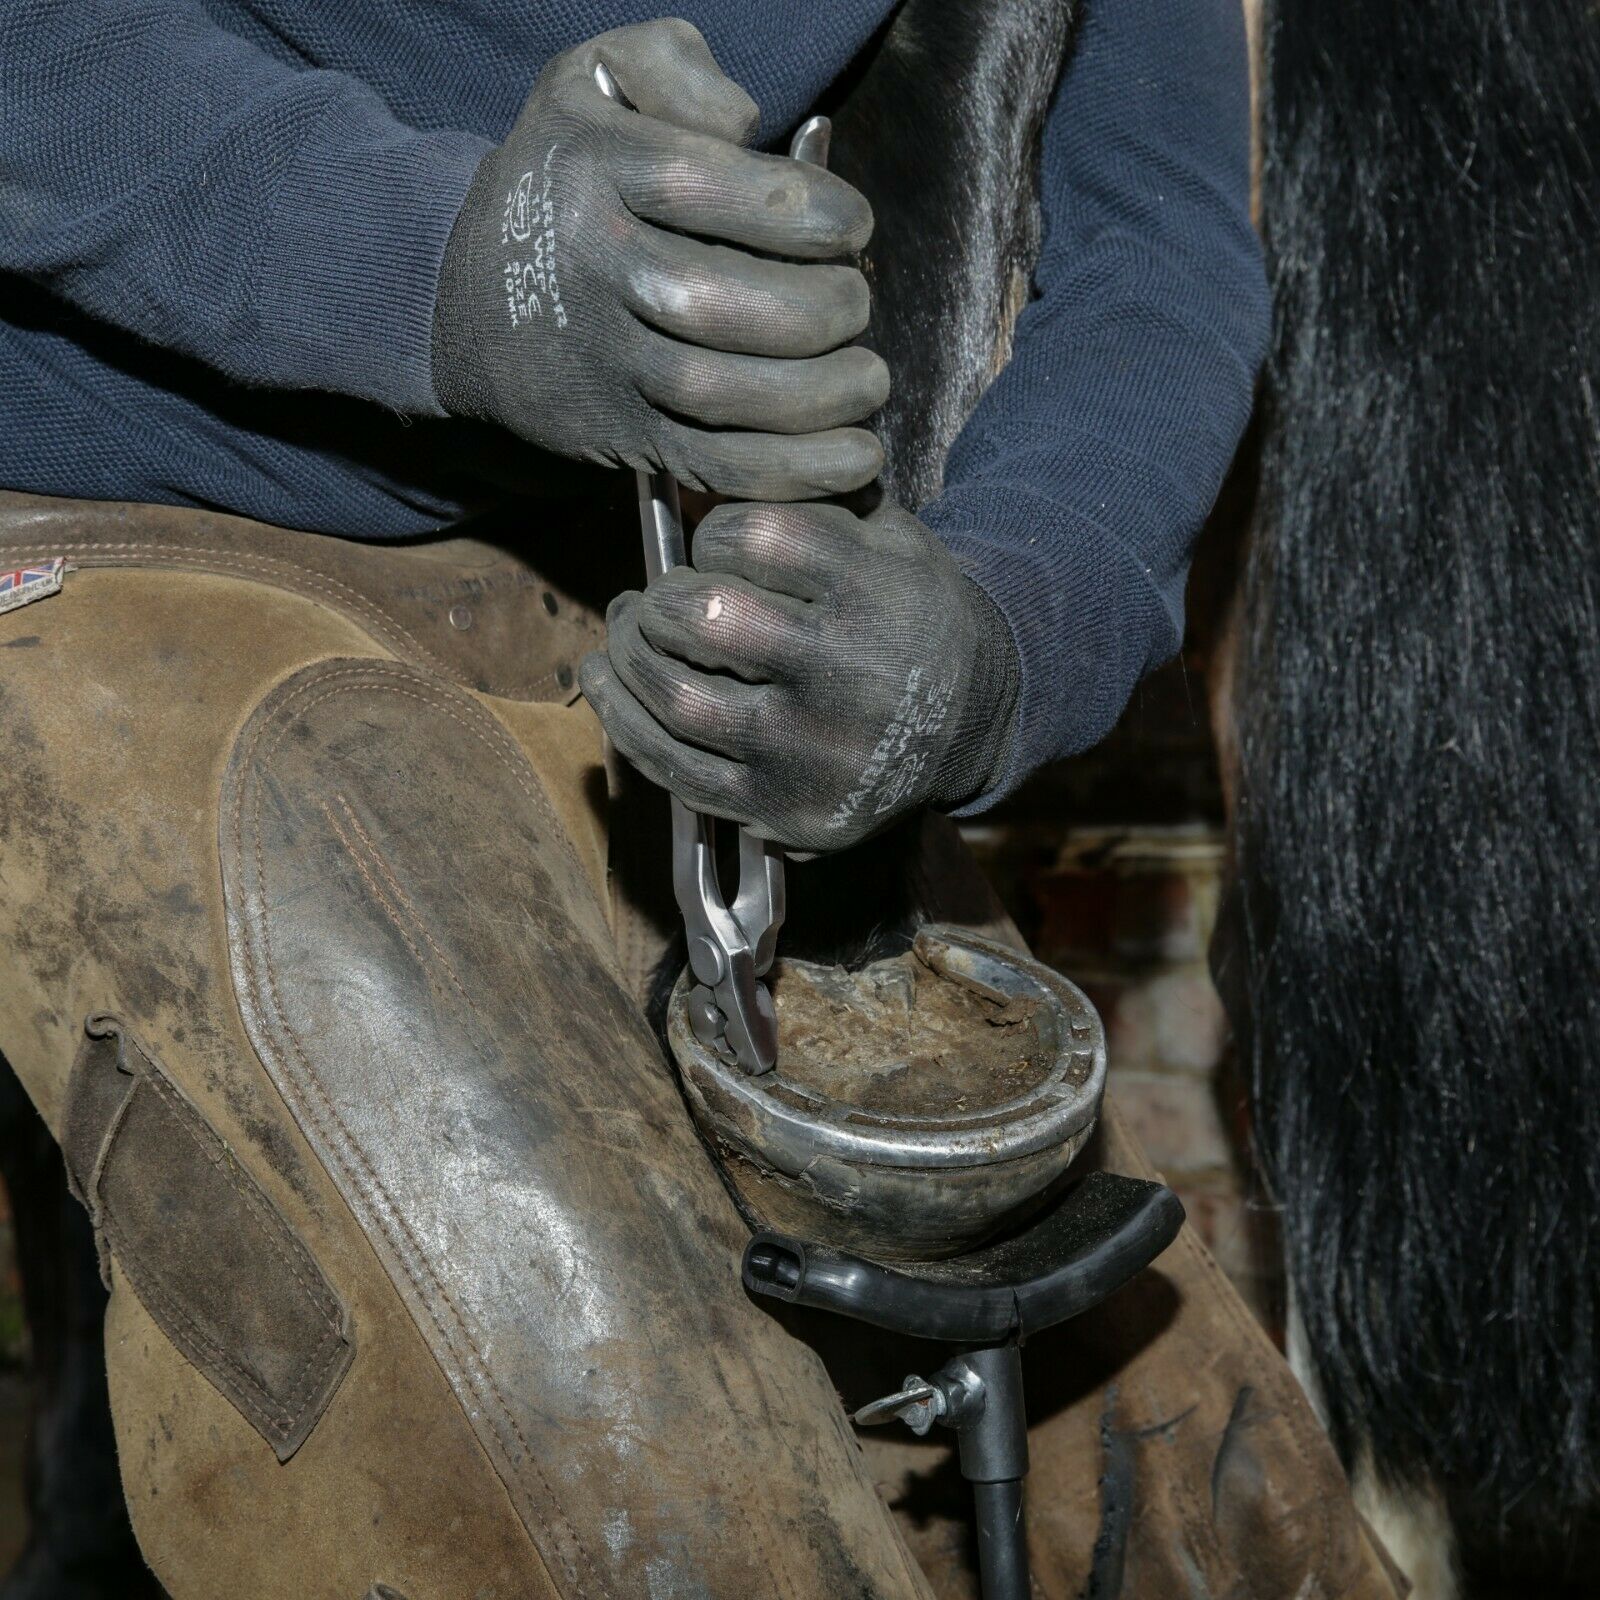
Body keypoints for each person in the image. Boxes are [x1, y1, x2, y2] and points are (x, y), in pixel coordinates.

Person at [0, 4, 1401, 1596]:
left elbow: (1159, 250)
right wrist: (445, 260)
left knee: (1212, 1522)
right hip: (125, 512)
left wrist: (1007, 633)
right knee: (609, 1473)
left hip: (635, 572)